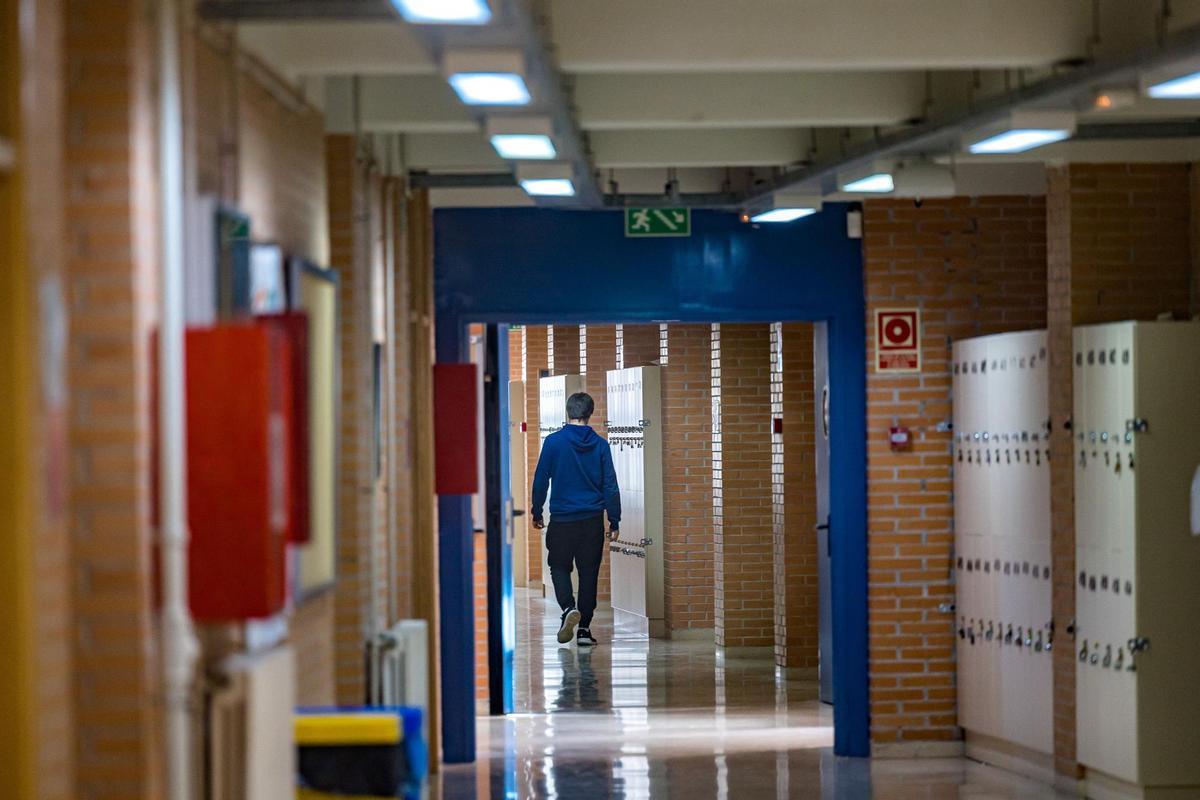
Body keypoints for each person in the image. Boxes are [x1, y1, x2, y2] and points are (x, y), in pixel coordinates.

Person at [531, 391, 621, 647]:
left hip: (562, 519)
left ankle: (568, 608)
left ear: (568, 412)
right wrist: (614, 520)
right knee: (589, 572)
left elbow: (540, 481)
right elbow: (610, 486)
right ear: (589, 413)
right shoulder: (601, 445)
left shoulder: (553, 442)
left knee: (558, 566)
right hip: (592, 520)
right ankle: (583, 629)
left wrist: (537, 511)